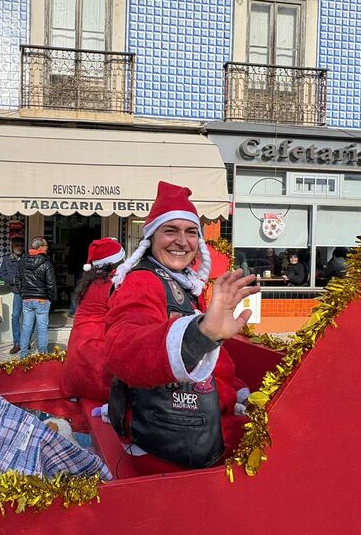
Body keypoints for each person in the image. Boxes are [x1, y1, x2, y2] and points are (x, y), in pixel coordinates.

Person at [105, 181, 258, 469]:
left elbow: (213, 364)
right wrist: (199, 335)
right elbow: (121, 349)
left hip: (193, 430)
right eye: (170, 230)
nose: (182, 241)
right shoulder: (143, 280)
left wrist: (236, 389)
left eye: (190, 232)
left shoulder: (183, 283)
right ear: (151, 237)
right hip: (167, 446)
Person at [61, 237, 125, 401]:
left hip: (79, 335)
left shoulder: (88, 282)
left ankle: (74, 393)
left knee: (78, 370)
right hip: (98, 338)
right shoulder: (115, 283)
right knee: (99, 377)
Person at [14, 236, 57, 357]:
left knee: (26, 326)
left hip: (27, 299)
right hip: (42, 299)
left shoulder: (23, 260)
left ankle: (23, 354)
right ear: (40, 247)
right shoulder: (47, 262)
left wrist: (23, 293)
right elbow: (50, 283)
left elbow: (17, 279)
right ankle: (42, 354)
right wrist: (49, 297)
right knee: (42, 328)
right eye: (46, 245)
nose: (47, 248)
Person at [0, 236, 26, 354]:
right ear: (12, 247)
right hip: (17, 293)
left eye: (21, 245)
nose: (19, 248)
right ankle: (17, 343)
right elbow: (2, 275)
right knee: (15, 317)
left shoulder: (27, 258)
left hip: (29, 291)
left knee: (29, 318)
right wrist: (13, 280)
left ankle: (25, 341)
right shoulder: (7, 259)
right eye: (17, 246)